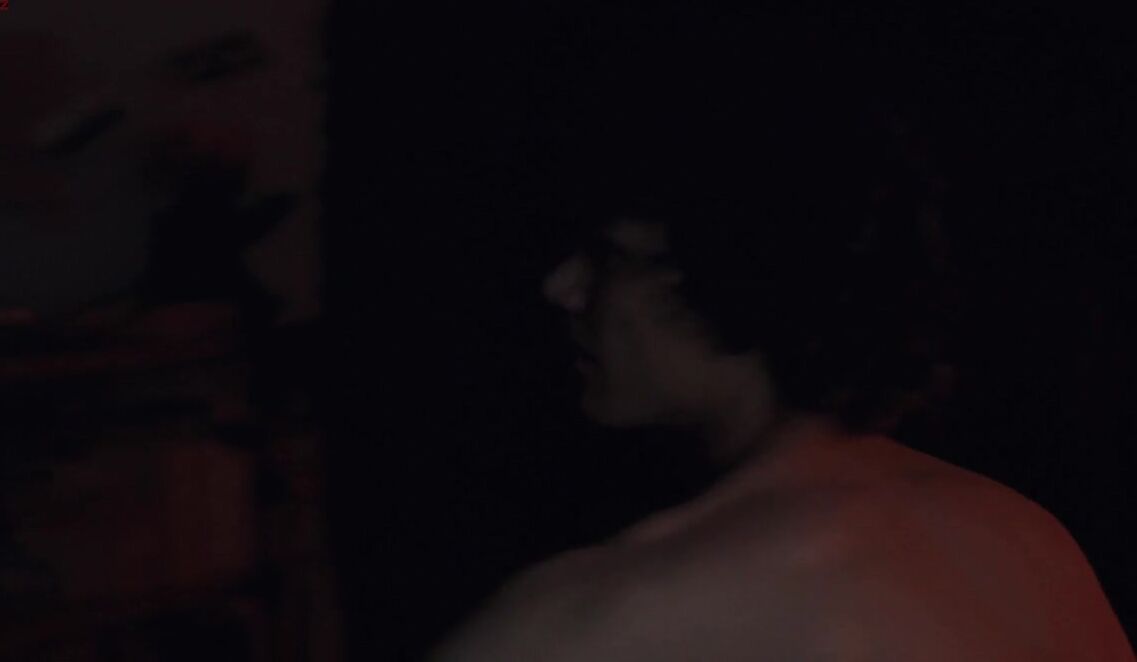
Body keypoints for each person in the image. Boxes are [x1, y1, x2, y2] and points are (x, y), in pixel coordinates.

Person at [428, 9, 1137, 661]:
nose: (562, 287)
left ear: (732, 266)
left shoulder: (600, 621)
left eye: (606, 254)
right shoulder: (1025, 545)